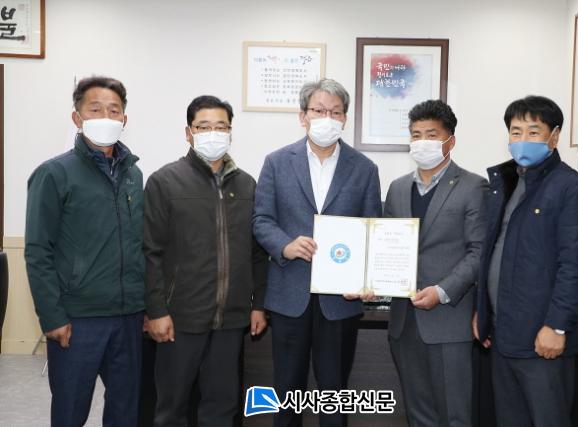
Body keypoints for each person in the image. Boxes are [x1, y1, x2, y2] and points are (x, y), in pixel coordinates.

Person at [252, 78, 382, 426]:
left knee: (334, 396)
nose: (328, 118)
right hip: (289, 296)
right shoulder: (277, 162)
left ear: (345, 118)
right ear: (303, 116)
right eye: (319, 110)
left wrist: (367, 279)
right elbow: (261, 220)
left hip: (340, 300)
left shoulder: (364, 168)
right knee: (287, 394)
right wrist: (285, 245)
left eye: (335, 112)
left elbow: (372, 229)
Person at [473, 95, 578, 427]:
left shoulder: (574, 188)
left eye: (533, 132)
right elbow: (491, 253)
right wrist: (483, 311)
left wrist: (556, 326)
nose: (523, 140)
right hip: (503, 335)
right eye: (516, 132)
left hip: (542, 339)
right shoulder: (506, 183)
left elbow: (574, 265)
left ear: (554, 136)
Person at [24, 76, 145, 427]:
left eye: (114, 110)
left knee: (126, 410)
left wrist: (146, 306)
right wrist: (52, 317)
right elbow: (37, 251)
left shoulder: (133, 174)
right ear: (77, 117)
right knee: (70, 410)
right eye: (95, 109)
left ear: (124, 119)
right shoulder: (53, 174)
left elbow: (139, 244)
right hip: (77, 319)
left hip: (128, 316)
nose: (106, 117)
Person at [144, 95, 268, 426]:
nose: (213, 133)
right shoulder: (164, 181)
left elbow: (257, 252)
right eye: (204, 127)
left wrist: (258, 305)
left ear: (231, 133)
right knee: (172, 407)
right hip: (180, 317)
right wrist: (156, 311)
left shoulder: (247, 184)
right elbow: (150, 251)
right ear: (189, 133)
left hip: (231, 319)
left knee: (222, 406)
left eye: (221, 127)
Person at [384, 100, 487, 426]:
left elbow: (479, 252)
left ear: (450, 140)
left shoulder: (473, 186)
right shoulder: (397, 188)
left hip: (448, 320)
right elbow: (385, 246)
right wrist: (369, 281)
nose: (422, 142)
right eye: (416, 135)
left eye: (431, 135)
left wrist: (442, 291)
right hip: (404, 323)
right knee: (418, 415)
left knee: (454, 415)